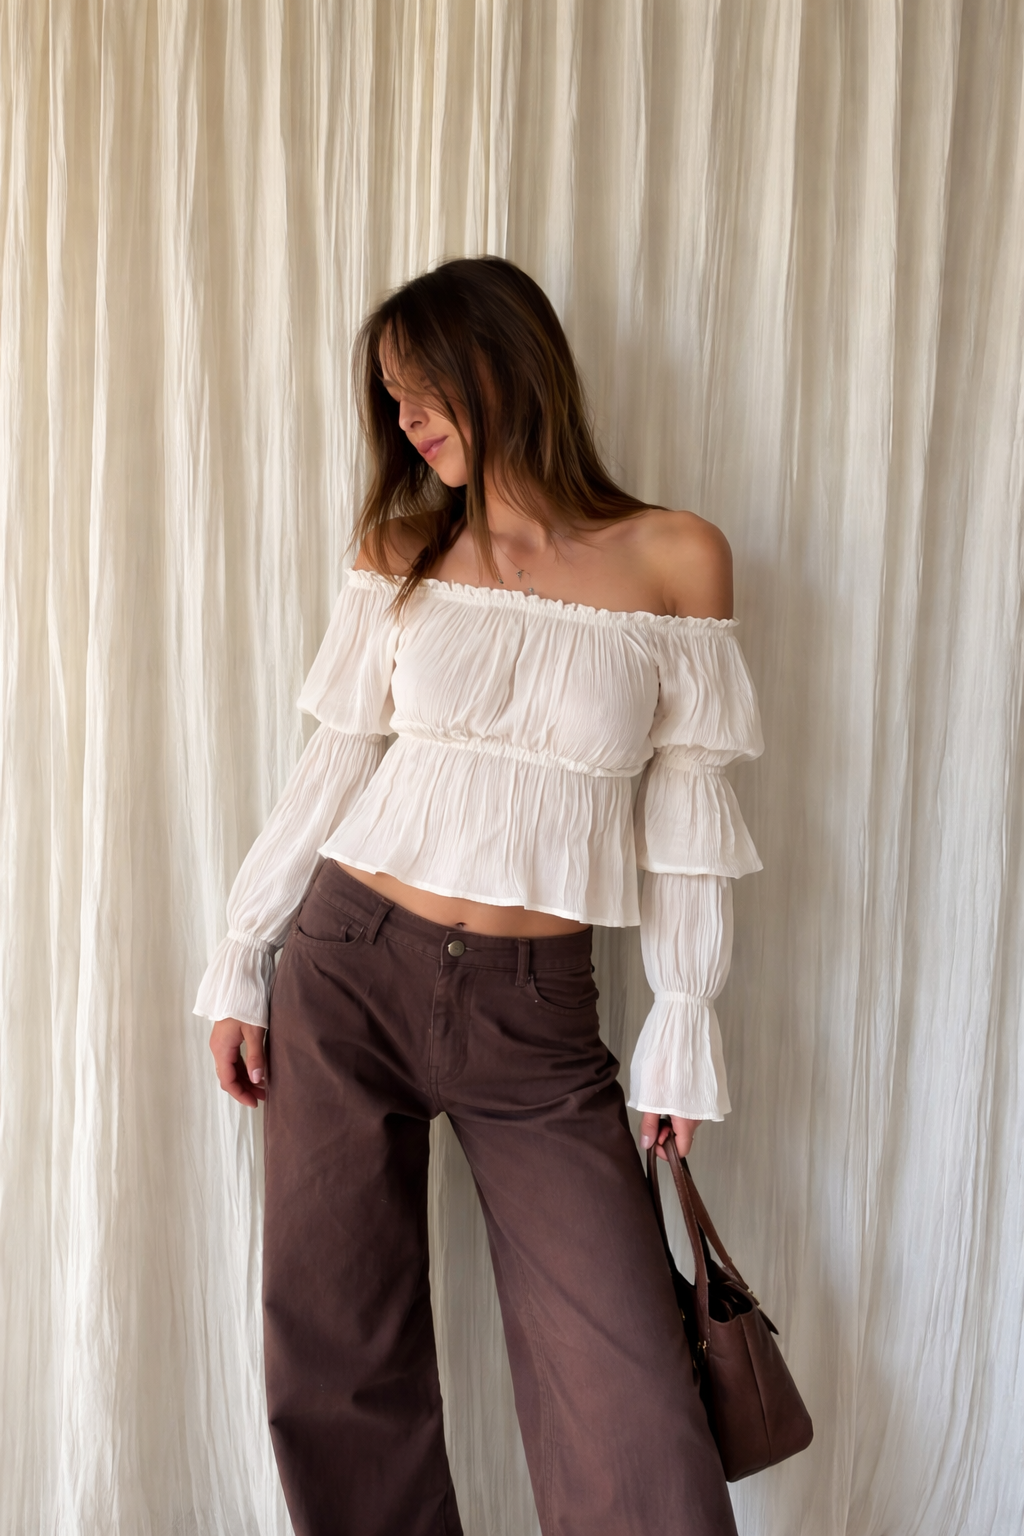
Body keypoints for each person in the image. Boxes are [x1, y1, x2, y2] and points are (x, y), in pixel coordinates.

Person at [195, 256, 763, 1536]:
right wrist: (240, 955)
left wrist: (683, 1022)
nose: (404, 421)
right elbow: (335, 762)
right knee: (339, 1354)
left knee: (628, 1391)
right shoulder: (402, 548)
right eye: (390, 399)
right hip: (349, 966)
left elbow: (686, 824)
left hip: (537, 1016)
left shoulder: (674, 557)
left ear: (503, 362)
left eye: (421, 388)